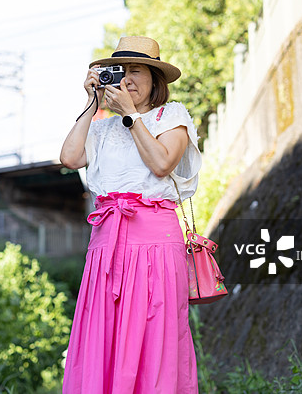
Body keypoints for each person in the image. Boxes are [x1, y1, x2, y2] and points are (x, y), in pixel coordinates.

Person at [59, 36, 202, 393]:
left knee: (155, 336)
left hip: (155, 244)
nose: (127, 79)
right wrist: (92, 104)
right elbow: (70, 158)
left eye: (137, 71)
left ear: (156, 80)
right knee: (103, 336)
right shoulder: (102, 127)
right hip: (107, 247)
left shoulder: (172, 116)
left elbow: (161, 163)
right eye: (120, 72)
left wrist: (130, 115)